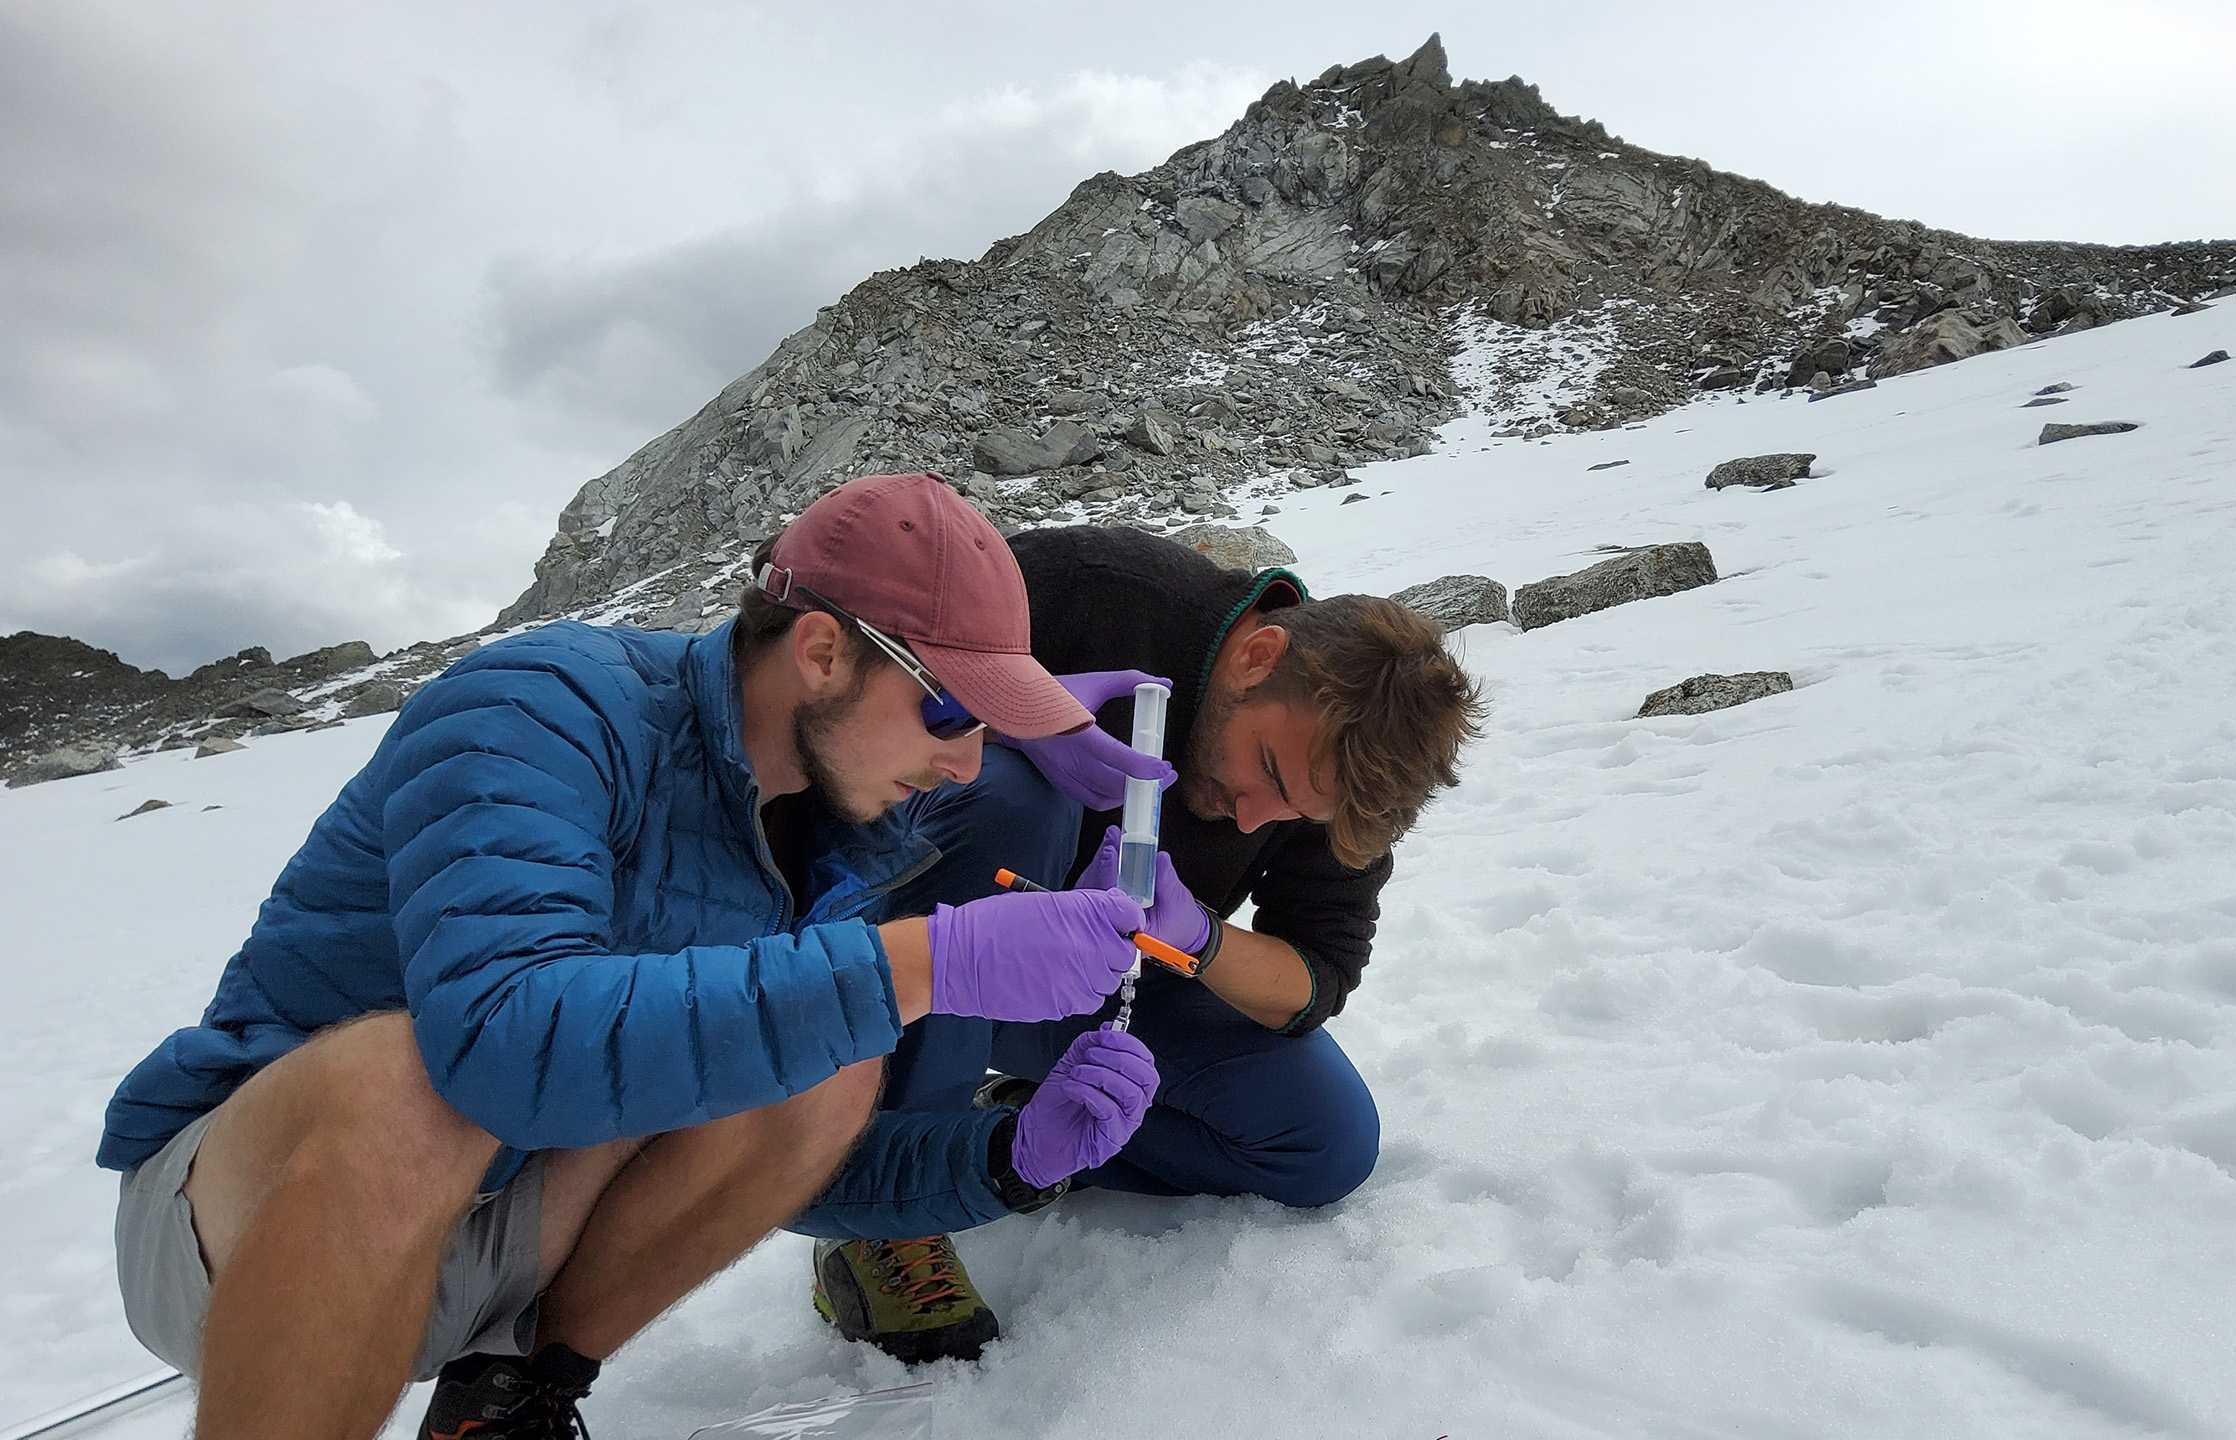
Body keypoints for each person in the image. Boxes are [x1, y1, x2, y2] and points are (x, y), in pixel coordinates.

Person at [95, 473, 1171, 1440]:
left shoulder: (825, 830)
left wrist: (1010, 1154)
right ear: (823, 650)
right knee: (407, 1082)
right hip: (239, 1228)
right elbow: (500, 1045)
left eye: (990, 728)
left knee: (832, 1054)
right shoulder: (542, 706)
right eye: (948, 712)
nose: (964, 764)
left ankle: (507, 1401)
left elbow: (793, 1166)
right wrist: (920, 965)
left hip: (501, 1243)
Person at [792, 524, 1487, 1364]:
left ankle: (1022, 1133)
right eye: (1267, 770)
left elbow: (1318, 978)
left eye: (1295, 813)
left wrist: (1198, 937)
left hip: (1111, 977)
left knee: (1325, 1144)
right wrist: (1009, 727)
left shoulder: (1335, 780)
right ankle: (879, 1197)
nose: (1254, 818)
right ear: (1258, 656)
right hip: (921, 948)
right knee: (1021, 798)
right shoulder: (1096, 589)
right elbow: (832, 702)